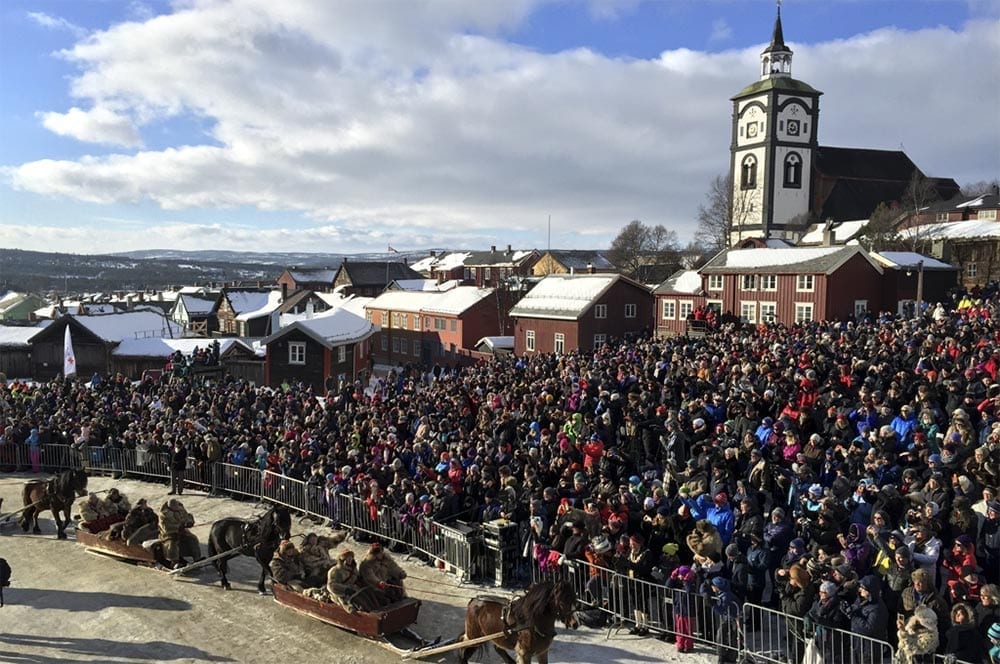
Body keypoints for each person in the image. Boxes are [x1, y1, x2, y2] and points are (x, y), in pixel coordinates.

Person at [359, 541, 407, 606]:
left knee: (397, 586)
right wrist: (378, 582)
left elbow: (393, 567)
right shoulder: (367, 563)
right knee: (383, 598)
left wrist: (400, 573)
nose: (380, 553)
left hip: (384, 581)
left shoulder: (386, 559)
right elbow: (370, 576)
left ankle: (400, 601)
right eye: (378, 552)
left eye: (381, 551)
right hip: (372, 585)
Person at [158, 498, 199, 568]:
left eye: (177, 506)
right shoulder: (164, 514)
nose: (177, 508)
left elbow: (188, 516)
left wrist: (189, 522)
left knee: (193, 539)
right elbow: (166, 527)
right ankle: (174, 561)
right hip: (169, 534)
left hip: (182, 532)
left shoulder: (181, 509)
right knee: (172, 544)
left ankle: (197, 557)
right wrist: (178, 526)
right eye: (174, 507)